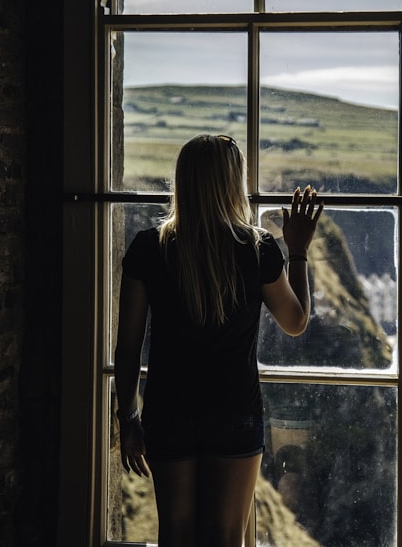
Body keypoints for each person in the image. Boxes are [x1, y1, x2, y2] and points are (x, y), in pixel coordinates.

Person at [114, 134, 323, 546]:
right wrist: (296, 250)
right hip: (234, 411)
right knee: (225, 537)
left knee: (176, 534)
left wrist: (128, 417)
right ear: (232, 183)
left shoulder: (148, 248)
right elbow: (296, 321)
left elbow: (127, 347)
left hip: (169, 411)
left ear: (183, 182)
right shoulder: (256, 247)